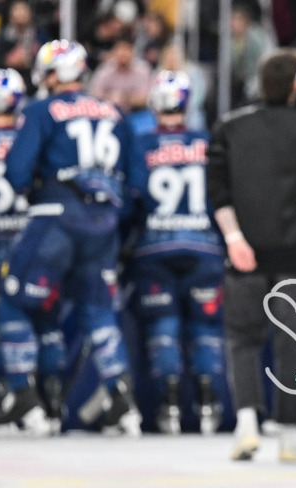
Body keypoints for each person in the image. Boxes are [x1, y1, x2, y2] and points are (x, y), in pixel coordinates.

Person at [0, 39, 142, 436]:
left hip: (55, 218)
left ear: (51, 73)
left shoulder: (42, 110)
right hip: (103, 224)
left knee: (14, 302)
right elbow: (138, 184)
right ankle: (124, 400)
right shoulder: (114, 112)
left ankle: (24, 402)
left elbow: (16, 172)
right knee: (98, 312)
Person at [206, 47, 296, 462]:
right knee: (291, 341)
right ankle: (287, 433)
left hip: (245, 250)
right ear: (295, 87)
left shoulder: (230, 125)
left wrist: (234, 239)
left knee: (243, 340)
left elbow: (217, 190)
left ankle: (246, 424)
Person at [0, 67, 65, 435]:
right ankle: (50, 404)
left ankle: (8, 400)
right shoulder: (34, 137)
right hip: (32, 247)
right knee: (46, 323)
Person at [124, 70, 225, 435]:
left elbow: (132, 198)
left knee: (163, 325)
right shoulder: (208, 141)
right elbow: (222, 199)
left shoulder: (142, 143)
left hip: (155, 248)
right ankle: (209, 401)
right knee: (205, 326)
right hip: (204, 248)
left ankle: (168, 405)